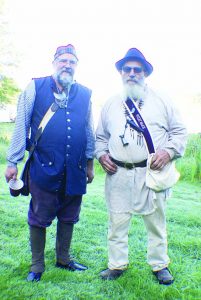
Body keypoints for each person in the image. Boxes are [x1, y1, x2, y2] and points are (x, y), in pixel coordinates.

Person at [95, 48, 187, 285]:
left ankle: (159, 265)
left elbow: (179, 133)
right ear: (121, 73)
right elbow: (100, 137)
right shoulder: (111, 104)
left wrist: (167, 152)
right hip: (118, 174)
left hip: (151, 174)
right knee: (116, 223)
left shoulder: (162, 100)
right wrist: (101, 154)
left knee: (156, 224)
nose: (132, 74)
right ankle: (117, 265)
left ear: (145, 73)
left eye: (138, 70)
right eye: (128, 69)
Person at [5, 44, 95, 282]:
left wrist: (89, 163)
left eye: (72, 62)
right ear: (54, 63)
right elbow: (21, 124)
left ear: (77, 66)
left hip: (74, 169)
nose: (67, 65)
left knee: (69, 215)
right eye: (63, 60)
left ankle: (63, 259)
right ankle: (37, 265)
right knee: (39, 215)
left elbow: (88, 130)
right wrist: (13, 161)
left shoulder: (85, 93)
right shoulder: (35, 86)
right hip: (43, 167)